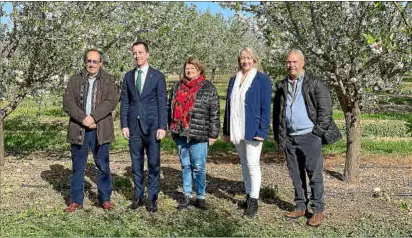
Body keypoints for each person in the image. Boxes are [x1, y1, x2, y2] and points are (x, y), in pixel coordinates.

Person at [272, 49, 342, 227]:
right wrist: (279, 136)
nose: (291, 65)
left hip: (310, 136)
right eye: (288, 62)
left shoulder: (314, 83)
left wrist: (317, 132)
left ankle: (318, 210)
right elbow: (277, 113)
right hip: (290, 137)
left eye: (295, 62)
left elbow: (325, 110)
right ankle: (300, 206)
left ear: (302, 63)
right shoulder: (282, 85)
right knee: (295, 174)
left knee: (314, 174)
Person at [63, 48, 119, 212]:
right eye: (89, 61)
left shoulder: (108, 80)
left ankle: (105, 199)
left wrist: (93, 117)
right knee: (78, 167)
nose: (92, 64)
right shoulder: (74, 80)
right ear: (85, 62)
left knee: (102, 166)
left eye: (95, 61)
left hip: (100, 129)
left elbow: (111, 101)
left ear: (100, 63)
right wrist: (84, 119)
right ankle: (76, 200)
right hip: (79, 128)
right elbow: (68, 102)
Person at [223, 47, 272, 218]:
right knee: (244, 163)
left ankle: (254, 200)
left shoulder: (262, 79)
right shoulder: (233, 79)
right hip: (237, 129)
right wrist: (226, 129)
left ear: (254, 60)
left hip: (253, 129)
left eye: (248, 58)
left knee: (252, 164)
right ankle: (248, 194)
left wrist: (262, 130)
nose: (245, 61)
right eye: (242, 58)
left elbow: (266, 108)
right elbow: (228, 107)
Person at [120, 41, 167, 213]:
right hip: (133, 127)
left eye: (140, 52)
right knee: (136, 164)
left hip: (153, 127)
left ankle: (152, 198)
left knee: (154, 164)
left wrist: (162, 126)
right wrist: (124, 124)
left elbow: (163, 103)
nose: (137, 56)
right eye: (134, 53)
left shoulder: (158, 76)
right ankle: (138, 196)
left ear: (147, 54)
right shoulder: (128, 76)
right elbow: (125, 101)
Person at [168, 58, 220, 210]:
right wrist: (169, 126)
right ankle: (186, 195)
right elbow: (169, 106)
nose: (189, 70)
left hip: (200, 133)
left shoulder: (208, 87)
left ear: (199, 70)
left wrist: (213, 134)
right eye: (187, 68)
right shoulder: (177, 86)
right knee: (185, 166)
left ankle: (200, 197)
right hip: (181, 133)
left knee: (198, 166)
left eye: (192, 68)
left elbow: (214, 112)